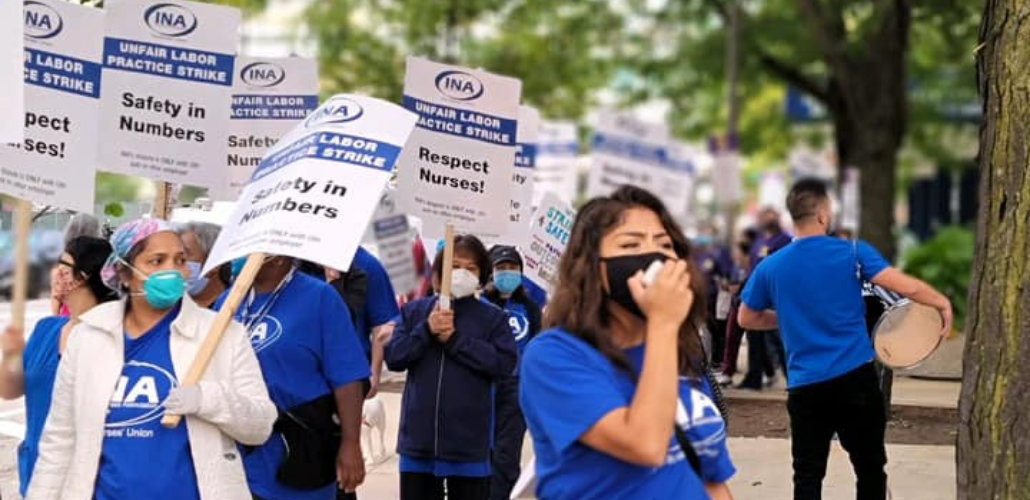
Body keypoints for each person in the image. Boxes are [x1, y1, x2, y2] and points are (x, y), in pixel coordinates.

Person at [26, 218, 277, 500]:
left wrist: (209, 399)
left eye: (180, 260)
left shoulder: (223, 335)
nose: (172, 270)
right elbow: (59, 439)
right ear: (123, 272)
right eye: (157, 261)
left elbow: (260, 426)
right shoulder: (88, 337)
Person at [739, 179, 953, 500]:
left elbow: (746, 318)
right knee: (869, 468)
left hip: (806, 386)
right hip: (856, 381)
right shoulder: (853, 253)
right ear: (823, 214)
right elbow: (906, 287)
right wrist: (941, 302)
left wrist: (785, 318)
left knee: (808, 476)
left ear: (793, 216)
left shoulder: (770, 266)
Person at [520, 185, 736, 500]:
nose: (654, 258)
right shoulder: (554, 356)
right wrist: (662, 322)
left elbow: (711, 477)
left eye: (664, 244)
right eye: (631, 244)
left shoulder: (678, 351)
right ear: (593, 266)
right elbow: (646, 444)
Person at [220, 254, 370, 500]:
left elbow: (348, 377)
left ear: (278, 257)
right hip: (242, 451)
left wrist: (351, 443)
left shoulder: (320, 298)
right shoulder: (229, 302)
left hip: (300, 449)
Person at [384, 234, 518, 500]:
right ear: (439, 271)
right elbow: (395, 356)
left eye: (471, 268)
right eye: (454, 266)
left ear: (482, 275)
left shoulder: (493, 319)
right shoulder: (414, 312)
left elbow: (503, 363)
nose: (462, 273)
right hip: (417, 447)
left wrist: (455, 340)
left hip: (469, 449)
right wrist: (427, 330)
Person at [0, 236, 118, 497]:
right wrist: (9, 355)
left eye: (63, 263)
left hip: (91, 477)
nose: (57, 271)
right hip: (37, 470)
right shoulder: (46, 329)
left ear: (81, 276)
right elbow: (10, 391)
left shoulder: (114, 335)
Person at [482, 245, 543, 500]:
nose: (507, 273)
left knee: (506, 458)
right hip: (484, 387)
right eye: (501, 268)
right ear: (490, 272)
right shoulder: (481, 305)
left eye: (512, 267)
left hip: (516, 389)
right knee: (484, 454)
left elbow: (538, 342)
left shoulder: (529, 306)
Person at [737, 209, 791, 390]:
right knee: (755, 339)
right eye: (765, 214)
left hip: (774, 296)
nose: (769, 217)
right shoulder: (758, 240)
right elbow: (750, 265)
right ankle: (754, 378)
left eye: (772, 214)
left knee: (779, 339)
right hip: (755, 294)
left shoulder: (783, 240)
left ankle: (792, 379)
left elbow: (784, 267)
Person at [351, 246, 401, 399]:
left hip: (350, 373)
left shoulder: (367, 265)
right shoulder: (295, 262)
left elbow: (381, 324)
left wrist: (374, 373)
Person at [692, 224, 732, 371]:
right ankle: (706, 360)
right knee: (705, 330)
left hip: (714, 297)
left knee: (716, 329)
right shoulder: (697, 255)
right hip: (701, 296)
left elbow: (725, 273)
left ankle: (717, 361)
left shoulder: (718, 253)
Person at [50, 213, 103, 316]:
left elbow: (56, 295)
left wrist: (56, 318)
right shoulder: (99, 256)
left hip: (69, 311)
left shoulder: (62, 256)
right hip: (93, 310)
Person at [178, 222, 229, 308]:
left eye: (184, 257)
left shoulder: (236, 310)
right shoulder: (170, 311)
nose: (174, 266)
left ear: (213, 263)